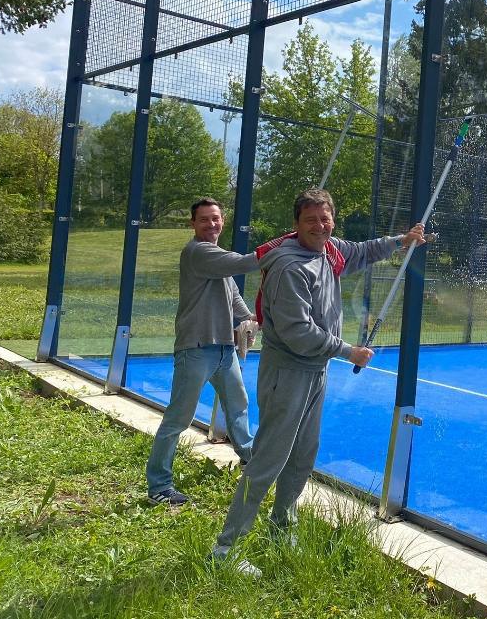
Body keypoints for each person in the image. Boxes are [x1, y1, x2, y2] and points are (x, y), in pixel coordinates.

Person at [211, 188, 427, 574]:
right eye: (310, 220)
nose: (319, 226)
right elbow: (299, 332)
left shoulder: (329, 250)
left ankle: (282, 528)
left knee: (302, 456)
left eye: (325, 219)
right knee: (268, 461)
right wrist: (350, 351)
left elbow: (362, 251)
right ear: (296, 225)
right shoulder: (291, 266)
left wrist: (401, 240)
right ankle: (226, 550)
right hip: (289, 372)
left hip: (315, 372)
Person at [146, 197, 266, 506]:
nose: (211, 224)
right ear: (193, 224)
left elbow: (234, 295)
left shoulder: (217, 262)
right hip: (196, 349)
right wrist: (280, 248)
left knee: (238, 406)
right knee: (178, 419)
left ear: (222, 221)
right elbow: (242, 263)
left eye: (216, 219)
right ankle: (159, 486)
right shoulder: (198, 252)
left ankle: (251, 462)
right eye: (204, 220)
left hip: (225, 349)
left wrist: (250, 320)